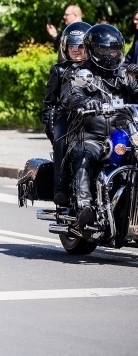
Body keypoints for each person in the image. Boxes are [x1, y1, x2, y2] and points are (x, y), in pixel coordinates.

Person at [61, 24, 138, 232]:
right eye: (105, 49)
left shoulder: (121, 75)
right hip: (91, 135)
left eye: (114, 49)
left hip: (122, 134)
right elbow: (70, 94)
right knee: (86, 154)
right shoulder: (81, 73)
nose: (111, 54)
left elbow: (136, 89)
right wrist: (84, 103)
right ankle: (84, 207)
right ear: (94, 50)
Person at [41, 21, 90, 206]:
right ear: (65, 48)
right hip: (67, 118)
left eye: (81, 46)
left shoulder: (97, 70)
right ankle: (60, 189)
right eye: (72, 46)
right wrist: (50, 127)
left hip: (93, 118)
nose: (76, 50)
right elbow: (49, 102)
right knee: (62, 140)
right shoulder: (60, 70)